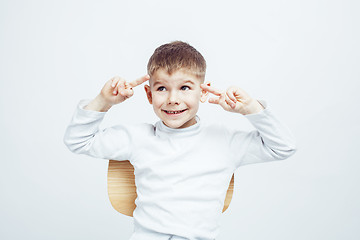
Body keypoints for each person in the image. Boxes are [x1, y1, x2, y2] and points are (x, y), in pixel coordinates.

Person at [64, 41, 297, 240]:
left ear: (203, 92)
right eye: (162, 88)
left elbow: (284, 147)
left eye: (185, 87)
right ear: (149, 94)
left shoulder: (224, 141)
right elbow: (78, 141)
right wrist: (103, 101)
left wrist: (251, 109)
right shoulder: (137, 138)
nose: (173, 99)